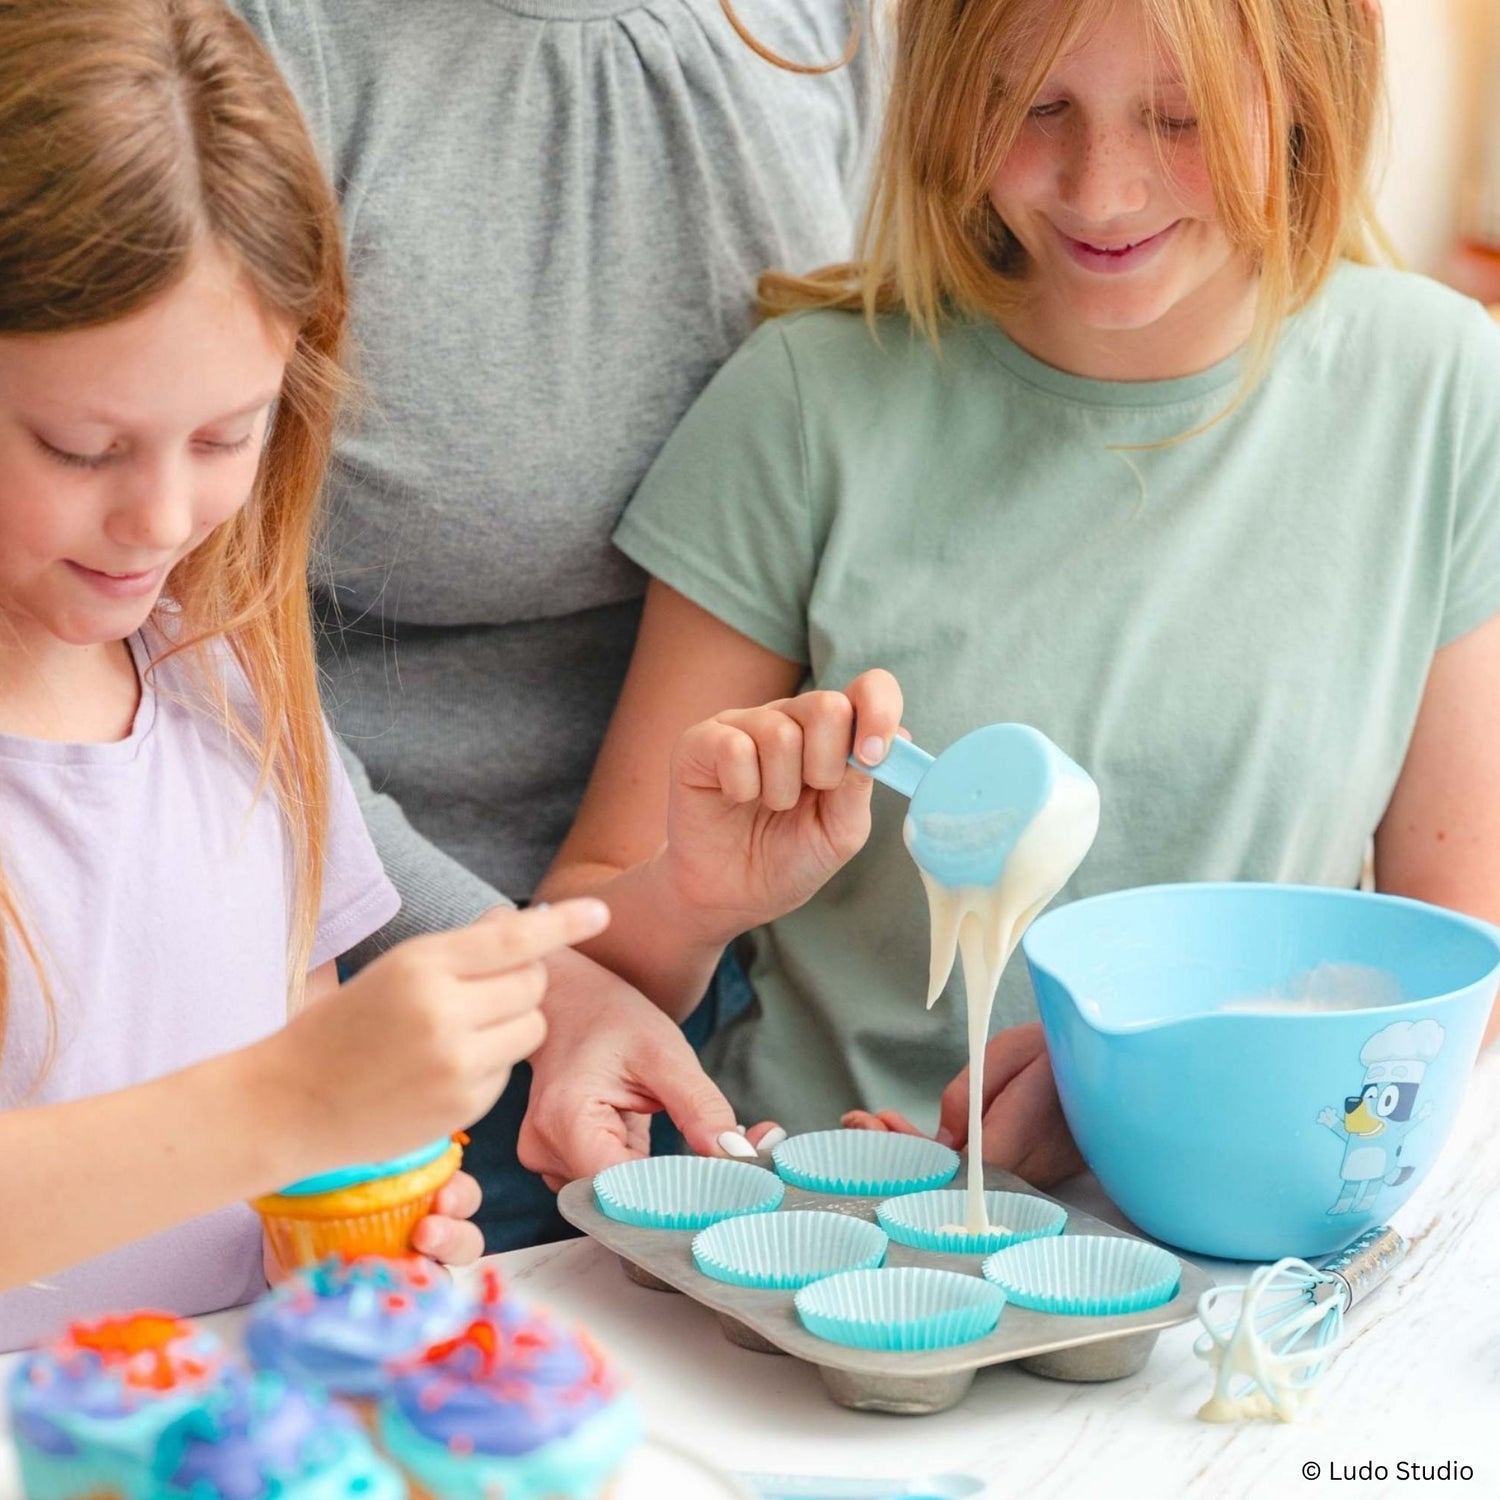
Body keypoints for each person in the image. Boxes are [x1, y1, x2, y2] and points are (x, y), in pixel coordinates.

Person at [536, 0, 1500, 1184]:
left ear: (1313, 87)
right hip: (808, 1217)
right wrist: (691, 896)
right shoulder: (806, 403)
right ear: (950, 99)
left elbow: (1457, 975)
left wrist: (1133, 1080)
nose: (1101, 191)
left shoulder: (1442, 390)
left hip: (1229, 1231)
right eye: (1034, 105)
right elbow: (582, 931)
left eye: (1179, 118)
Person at [0, 0, 610, 1354]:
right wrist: (287, 1102)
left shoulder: (226, 681)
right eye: (83, 447)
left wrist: (357, 1231)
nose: (161, 519)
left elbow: (293, 1152)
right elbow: (277, 1099)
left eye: (225, 435)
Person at [229, 0, 882, 1248]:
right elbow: (186, 645)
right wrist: (537, 979)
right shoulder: (270, 44)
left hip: (710, 970)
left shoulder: (839, 29)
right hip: (358, 985)